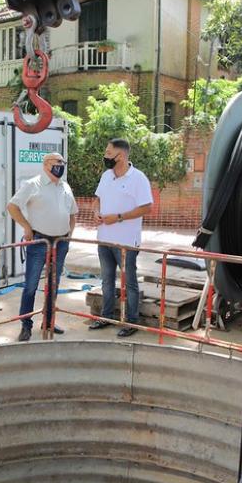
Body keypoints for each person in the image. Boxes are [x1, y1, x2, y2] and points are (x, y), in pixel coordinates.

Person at [8, 153, 78, 341]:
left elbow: (72, 214)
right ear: (46, 164)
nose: (61, 165)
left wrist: (69, 235)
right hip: (40, 242)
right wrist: (26, 226)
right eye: (58, 162)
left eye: (63, 162)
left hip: (61, 243)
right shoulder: (33, 184)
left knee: (53, 285)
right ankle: (26, 325)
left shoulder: (65, 186)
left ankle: (49, 320)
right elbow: (12, 206)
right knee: (31, 285)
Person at [88, 139, 153, 337]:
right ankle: (106, 317)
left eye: (109, 153)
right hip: (104, 240)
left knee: (129, 283)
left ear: (121, 156)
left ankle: (132, 321)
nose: (105, 157)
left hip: (126, 243)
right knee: (107, 281)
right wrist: (96, 212)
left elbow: (147, 207)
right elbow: (97, 199)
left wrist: (118, 217)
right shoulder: (106, 176)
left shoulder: (138, 178)